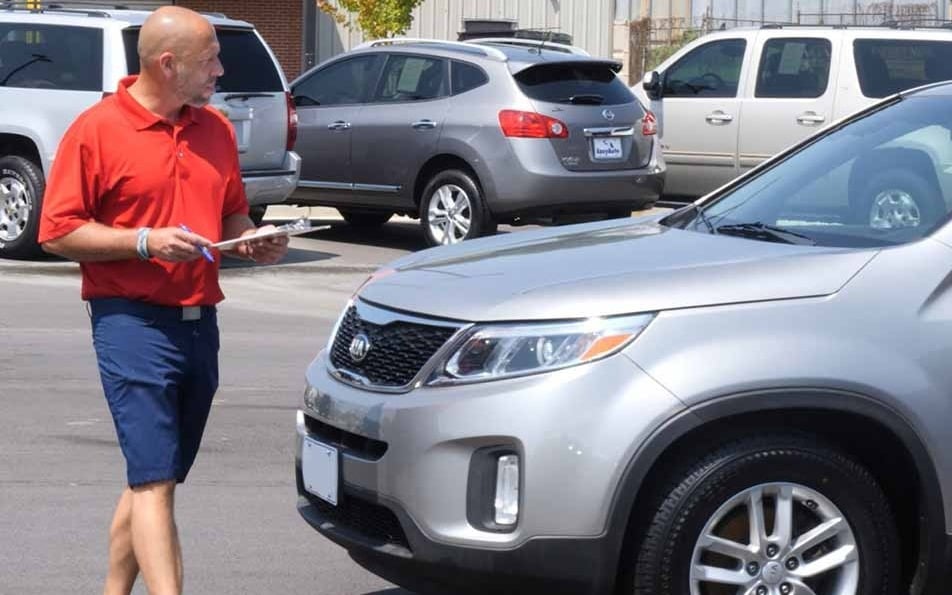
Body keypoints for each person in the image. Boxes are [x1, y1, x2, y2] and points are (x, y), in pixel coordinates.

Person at [38, 7, 289, 595]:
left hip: (201, 323)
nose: (221, 71)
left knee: (155, 475)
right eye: (210, 61)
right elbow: (55, 231)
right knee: (155, 482)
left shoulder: (215, 129)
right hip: (130, 322)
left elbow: (231, 209)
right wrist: (144, 242)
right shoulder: (97, 130)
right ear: (168, 64)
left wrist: (249, 236)